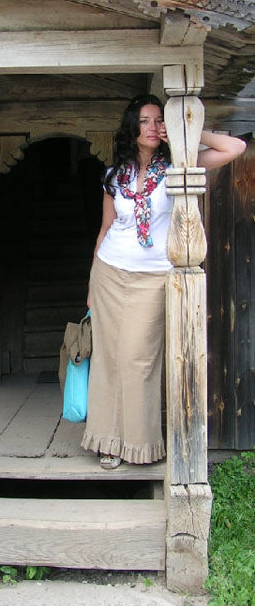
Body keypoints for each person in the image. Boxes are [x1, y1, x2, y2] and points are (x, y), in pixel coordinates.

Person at [81, 94, 246, 469]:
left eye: (160, 120)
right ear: (132, 128)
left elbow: (234, 148)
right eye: (146, 121)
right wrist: (91, 284)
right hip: (109, 273)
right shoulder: (114, 175)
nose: (154, 127)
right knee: (108, 359)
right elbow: (105, 229)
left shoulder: (179, 165)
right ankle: (108, 442)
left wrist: (187, 132)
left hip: (153, 277)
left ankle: (138, 445)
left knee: (138, 359)